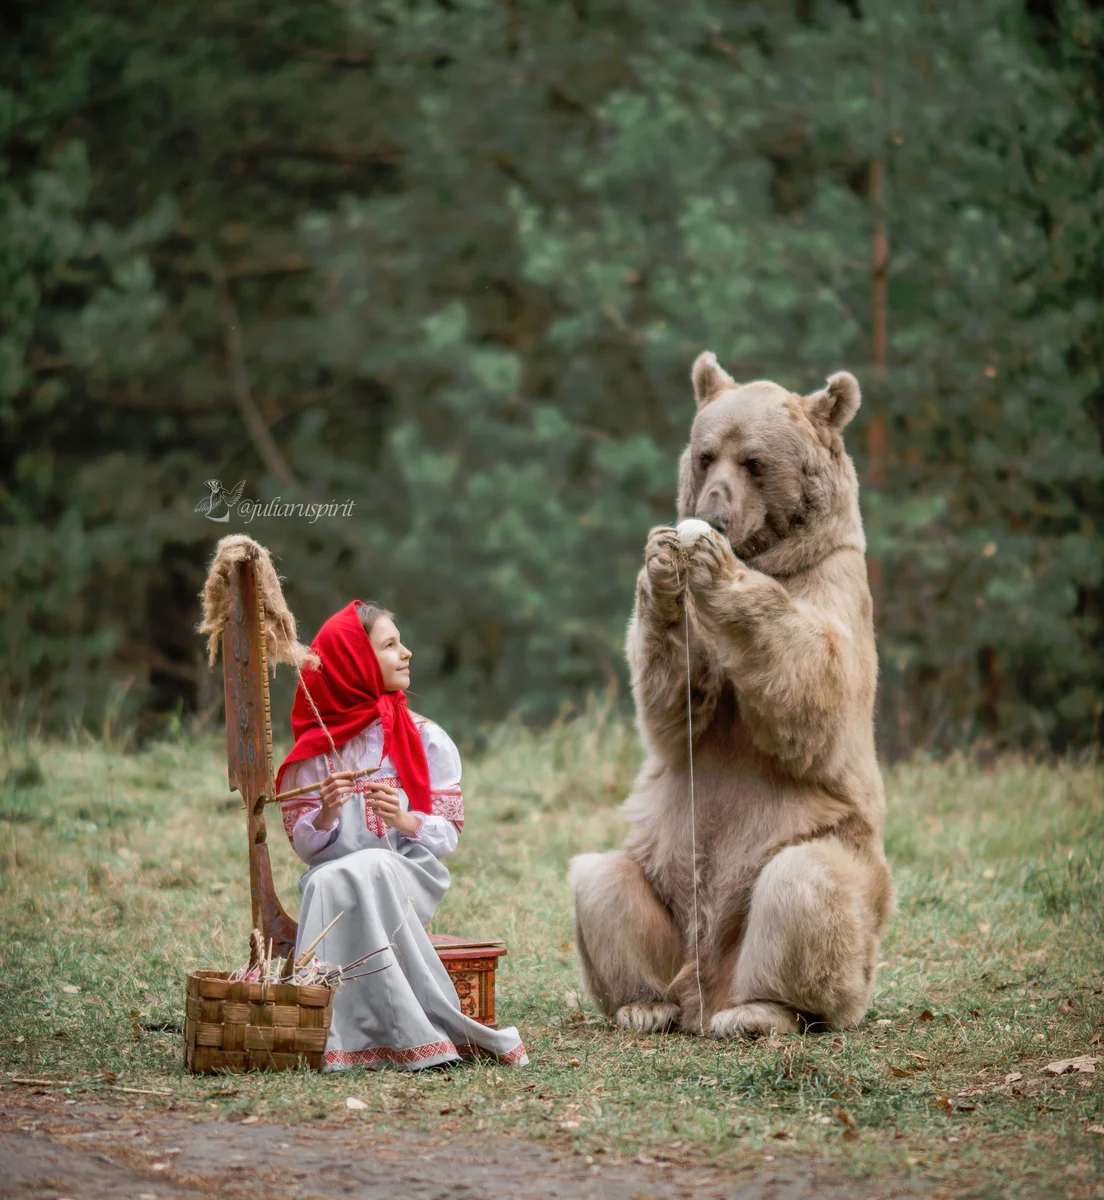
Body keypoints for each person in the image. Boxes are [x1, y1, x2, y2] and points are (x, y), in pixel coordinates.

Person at [275, 599, 528, 1071]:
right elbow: (307, 850)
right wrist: (327, 813)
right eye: (390, 645)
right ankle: (343, 1038)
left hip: (408, 872)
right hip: (336, 877)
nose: (406, 653)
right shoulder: (316, 752)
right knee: (332, 878)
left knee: (369, 866)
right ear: (354, 662)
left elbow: (447, 837)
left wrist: (406, 820)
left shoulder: (424, 737)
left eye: (401, 642)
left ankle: (405, 1033)